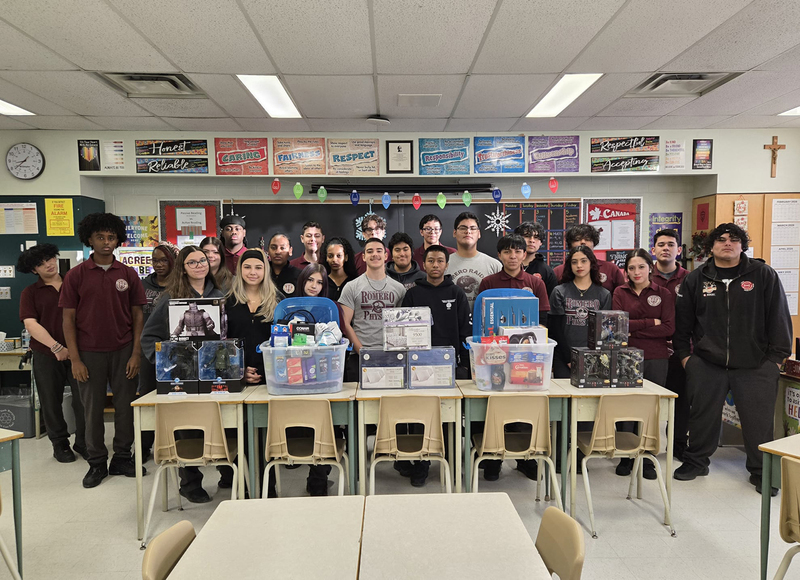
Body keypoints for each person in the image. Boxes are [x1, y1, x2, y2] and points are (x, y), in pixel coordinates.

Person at [673, 223, 792, 495]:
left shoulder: (763, 275)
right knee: (702, 418)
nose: (728, 243)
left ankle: (761, 471)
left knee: (758, 422)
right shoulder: (696, 278)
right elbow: (683, 325)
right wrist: (686, 358)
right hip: (707, 364)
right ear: (711, 246)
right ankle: (696, 462)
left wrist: (775, 360)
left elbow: (779, 319)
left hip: (756, 365)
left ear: (743, 245)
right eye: (721, 239)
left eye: (734, 239)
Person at [60, 213, 148, 488]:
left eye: (111, 237)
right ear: (89, 239)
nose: (106, 242)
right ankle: (97, 463)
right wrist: (75, 359)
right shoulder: (76, 276)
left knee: (125, 408)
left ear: (118, 240)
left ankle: (122, 458)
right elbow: (68, 321)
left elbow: (138, 317)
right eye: (100, 237)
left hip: (124, 351)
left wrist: (135, 354)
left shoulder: (128, 274)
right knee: (92, 410)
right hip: (88, 353)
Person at [141, 245, 226, 503]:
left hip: (213, 370)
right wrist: (166, 361)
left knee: (220, 424)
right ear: (183, 267)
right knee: (186, 428)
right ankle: (189, 483)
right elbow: (149, 336)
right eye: (192, 262)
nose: (199, 265)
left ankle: (227, 472)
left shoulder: (220, 294)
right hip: (183, 373)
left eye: (203, 260)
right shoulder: (171, 297)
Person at [401, 245, 471, 487]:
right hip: (418, 365)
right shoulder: (412, 294)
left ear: (446, 265)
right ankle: (421, 464)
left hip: (449, 366)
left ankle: (451, 462)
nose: (435, 265)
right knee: (422, 415)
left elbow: (465, 331)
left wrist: (464, 366)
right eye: (430, 260)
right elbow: (403, 330)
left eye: (440, 261)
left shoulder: (457, 293)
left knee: (449, 417)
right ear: (424, 263)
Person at [18, 244, 87, 464]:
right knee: (51, 401)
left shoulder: (75, 283)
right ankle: (60, 444)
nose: (48, 265)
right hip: (47, 355)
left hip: (80, 353)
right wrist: (56, 347)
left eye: (50, 259)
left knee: (84, 399)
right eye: (40, 263)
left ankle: (84, 442)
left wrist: (73, 350)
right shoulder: (30, 293)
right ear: (33, 270)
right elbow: (30, 324)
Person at [612, 248, 675, 479]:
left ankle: (648, 458)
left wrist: (634, 329)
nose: (636, 272)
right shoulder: (620, 291)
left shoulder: (664, 294)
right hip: (626, 355)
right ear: (625, 271)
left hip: (656, 357)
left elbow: (668, 328)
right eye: (631, 268)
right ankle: (626, 456)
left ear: (651, 267)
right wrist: (650, 322)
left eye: (641, 266)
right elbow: (618, 326)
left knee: (650, 408)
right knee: (626, 407)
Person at [292, 263, 343, 495]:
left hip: (324, 377)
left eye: (320, 282)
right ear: (302, 280)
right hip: (293, 378)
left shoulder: (330, 309)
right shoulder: (288, 307)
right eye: (310, 280)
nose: (314, 286)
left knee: (326, 427)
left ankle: (318, 480)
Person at [339, 238, 406, 380]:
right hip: (359, 356)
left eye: (379, 251)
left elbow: (403, 325)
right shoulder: (352, 287)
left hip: (391, 355)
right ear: (363, 257)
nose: (374, 254)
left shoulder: (399, 288)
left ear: (386, 256)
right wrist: (362, 350)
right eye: (370, 251)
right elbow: (345, 323)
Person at [649, 228, 690, 460]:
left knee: (681, 399)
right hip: (652, 349)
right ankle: (645, 445)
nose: (666, 248)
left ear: (679, 250)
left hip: (682, 349)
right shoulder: (644, 275)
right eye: (661, 244)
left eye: (671, 244)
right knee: (649, 400)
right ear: (653, 250)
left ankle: (677, 444)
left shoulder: (690, 278)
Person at [138, 241, 179, 461]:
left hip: (174, 352)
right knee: (147, 397)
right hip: (149, 349)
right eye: (155, 260)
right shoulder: (143, 285)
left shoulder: (179, 287)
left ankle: (172, 443)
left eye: (164, 260)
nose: (159, 264)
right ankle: (144, 445)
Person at [548, 245, 612, 379]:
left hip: (593, 356)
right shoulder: (559, 291)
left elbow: (604, 331)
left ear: (591, 263)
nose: (579, 265)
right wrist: (568, 358)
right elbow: (555, 329)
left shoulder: (603, 294)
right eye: (574, 262)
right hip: (564, 356)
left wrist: (594, 357)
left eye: (584, 261)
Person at [477, 234, 551, 326]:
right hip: (495, 337)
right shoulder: (488, 283)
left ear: (524, 255)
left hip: (527, 338)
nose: (513, 256)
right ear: (499, 255)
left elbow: (542, 318)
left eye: (517, 251)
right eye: (507, 252)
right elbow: (481, 317)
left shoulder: (537, 283)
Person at [446, 212, 501, 309]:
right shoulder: (444, 264)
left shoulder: (494, 265)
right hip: (453, 322)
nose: (468, 231)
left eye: (472, 228)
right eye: (463, 228)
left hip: (486, 323)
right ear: (454, 233)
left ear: (479, 234)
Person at [552, 224, 625, 293]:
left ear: (594, 243)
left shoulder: (611, 269)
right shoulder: (558, 272)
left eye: (587, 239)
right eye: (577, 239)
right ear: (570, 244)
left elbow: (622, 297)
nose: (583, 242)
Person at [514, 221, 557, 297]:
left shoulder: (547, 272)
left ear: (541, 243)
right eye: (527, 236)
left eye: (536, 237)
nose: (532, 240)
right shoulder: (508, 265)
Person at [323, 236, 357, 302]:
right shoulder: (322, 281)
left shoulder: (354, 282)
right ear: (326, 258)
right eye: (330, 256)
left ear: (346, 257)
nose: (334, 260)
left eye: (339, 256)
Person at [267, 233, 301, 297]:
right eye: (273, 248)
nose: (277, 252)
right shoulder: (262, 273)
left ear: (290, 251)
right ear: (268, 250)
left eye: (282, 248)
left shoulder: (299, 275)